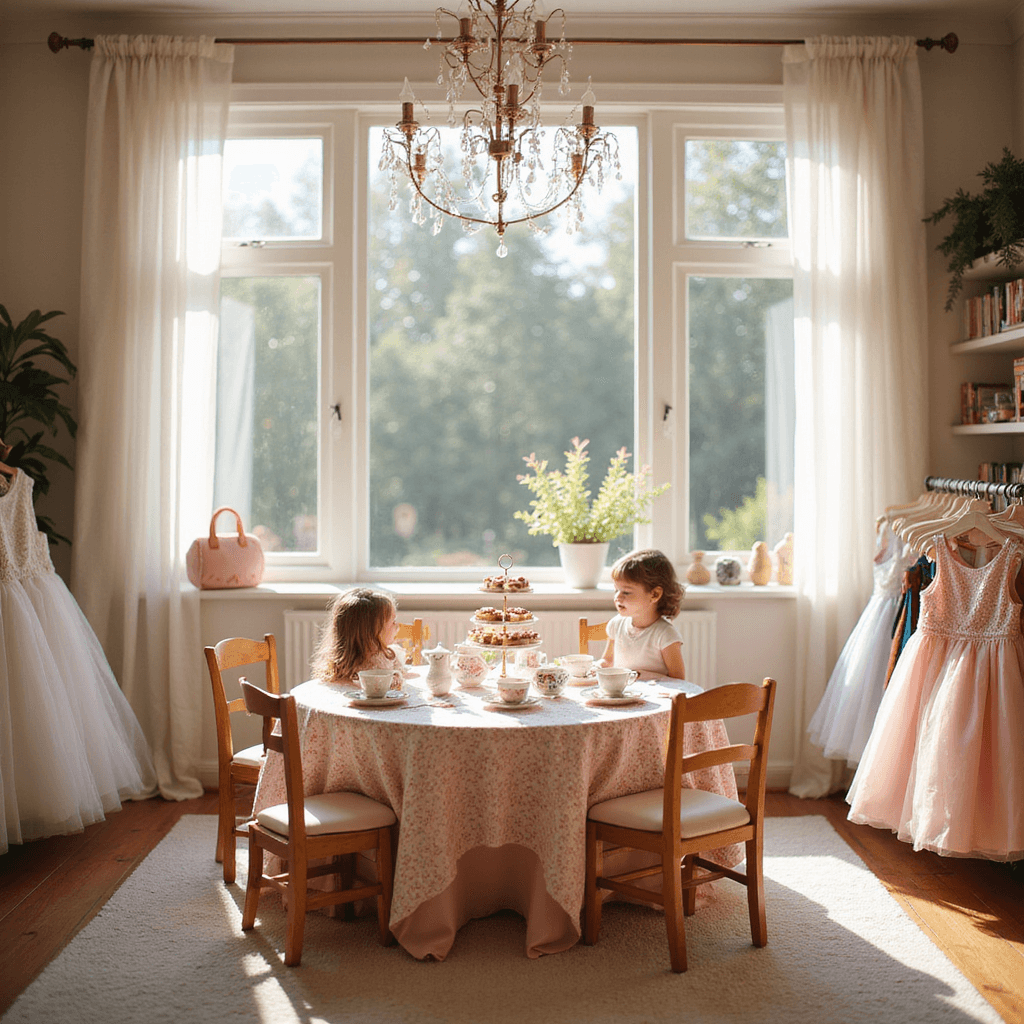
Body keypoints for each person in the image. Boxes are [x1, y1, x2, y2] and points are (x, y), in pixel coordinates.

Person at [598, 549, 686, 680]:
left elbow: (679, 681)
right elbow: (607, 661)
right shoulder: (616, 625)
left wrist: (643, 677)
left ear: (655, 594)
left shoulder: (666, 634)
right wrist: (597, 667)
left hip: (654, 693)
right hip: (622, 692)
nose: (617, 597)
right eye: (616, 590)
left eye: (626, 592)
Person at [310, 587, 414, 689]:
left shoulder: (388, 654)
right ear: (371, 632)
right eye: (393, 622)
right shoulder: (360, 667)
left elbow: (402, 674)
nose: (397, 626)